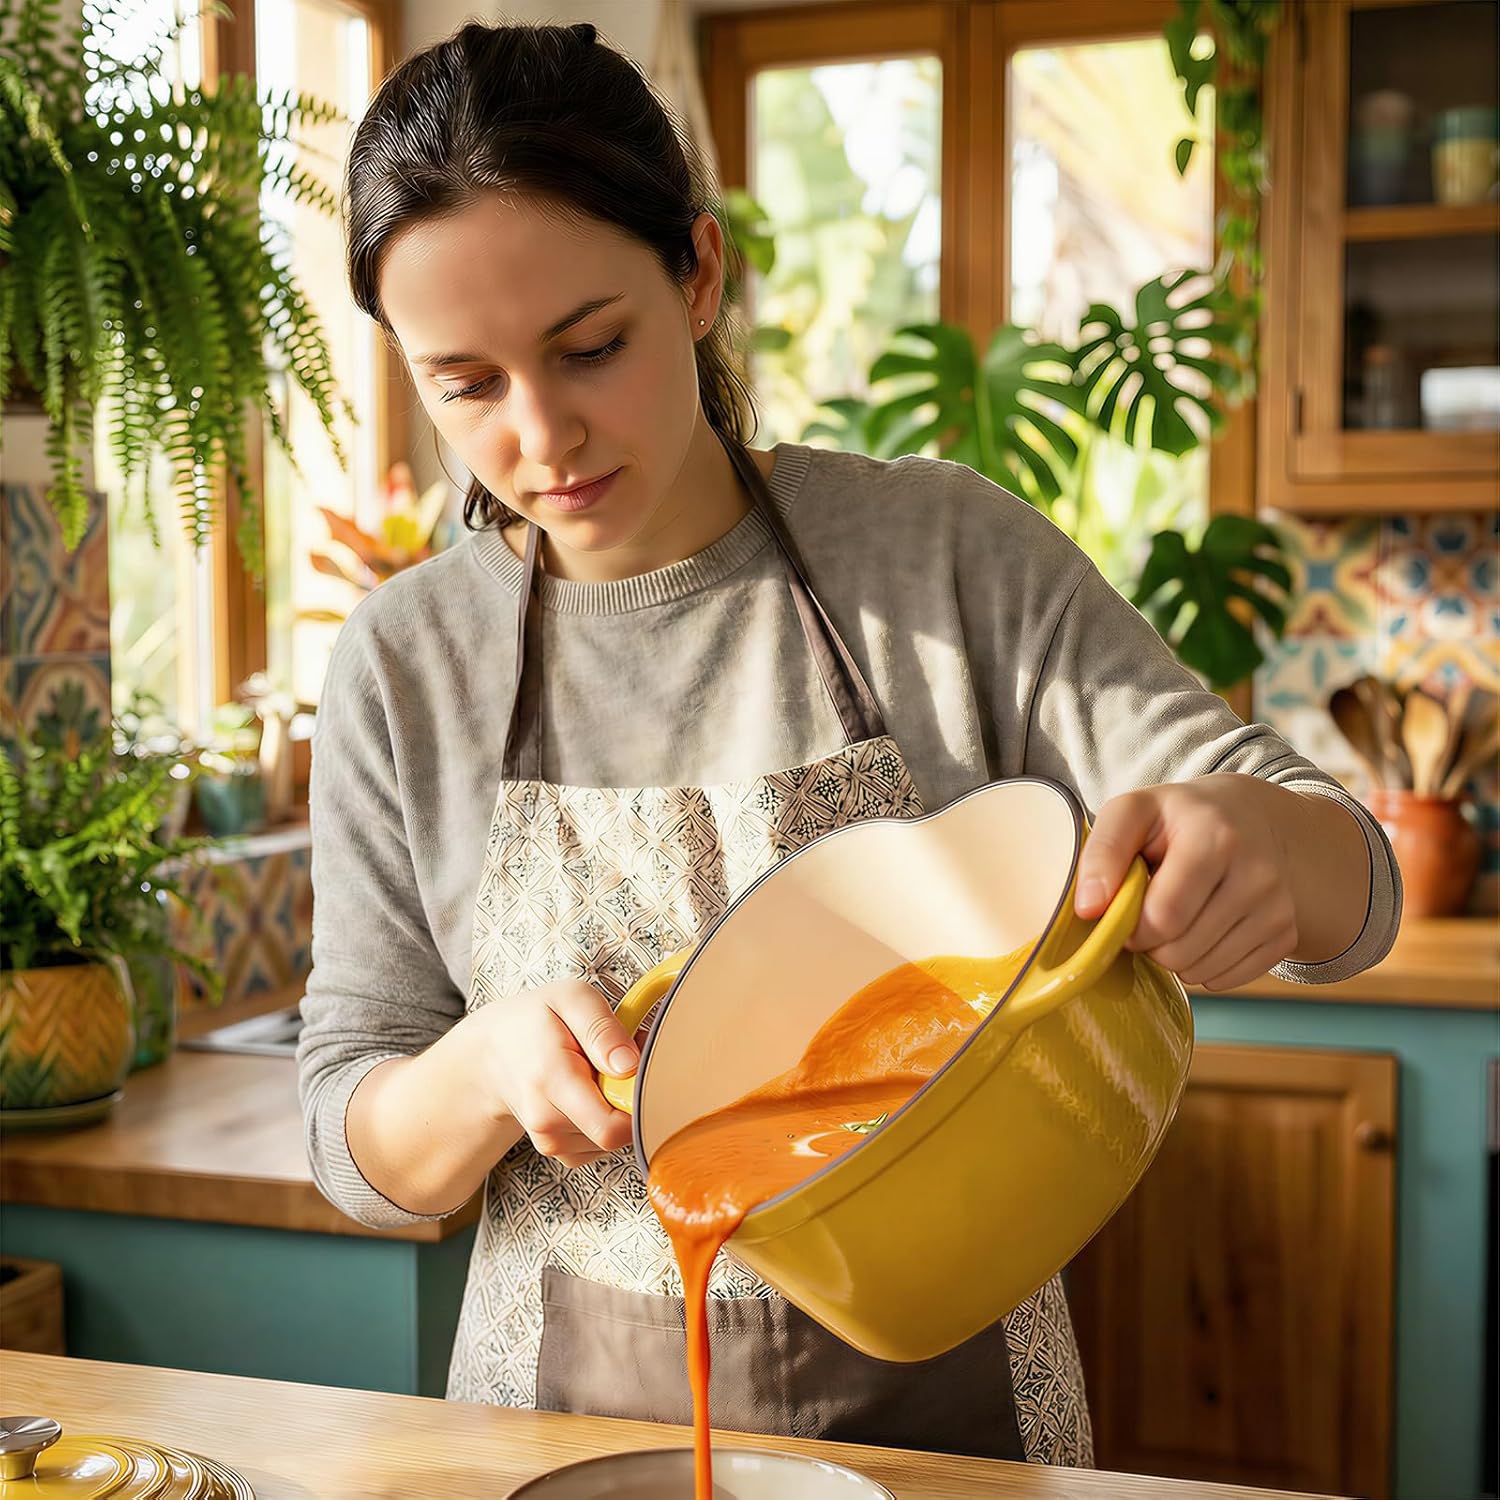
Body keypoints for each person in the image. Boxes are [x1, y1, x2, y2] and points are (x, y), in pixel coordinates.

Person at [298, 18, 1401, 1464]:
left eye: (590, 347)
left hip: (958, 1432)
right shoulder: (401, 665)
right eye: (468, 385)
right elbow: (350, 1138)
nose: (544, 436)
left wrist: (1263, 847)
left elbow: (1346, 877)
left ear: (696, 275)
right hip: (557, 1436)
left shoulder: (941, 559)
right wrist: (485, 1067)